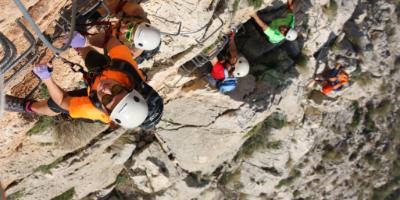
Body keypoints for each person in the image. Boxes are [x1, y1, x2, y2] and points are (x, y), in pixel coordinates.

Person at [5, 33, 163, 130]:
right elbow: (110, 39)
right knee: (95, 59)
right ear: (128, 87)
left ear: (105, 110)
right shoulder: (125, 69)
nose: (106, 90)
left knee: (54, 106)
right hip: (110, 74)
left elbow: (62, 100)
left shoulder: (93, 110)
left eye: (108, 98)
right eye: (116, 91)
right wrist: (86, 40)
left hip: (93, 98)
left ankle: (26, 107)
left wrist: (47, 78)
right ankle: (76, 44)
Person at [78, 0, 161, 63]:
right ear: (139, 22)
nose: (123, 28)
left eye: (128, 35)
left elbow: (103, 46)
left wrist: (84, 42)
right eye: (131, 25)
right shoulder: (136, 13)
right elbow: (116, 3)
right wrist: (96, 13)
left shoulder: (128, 52)